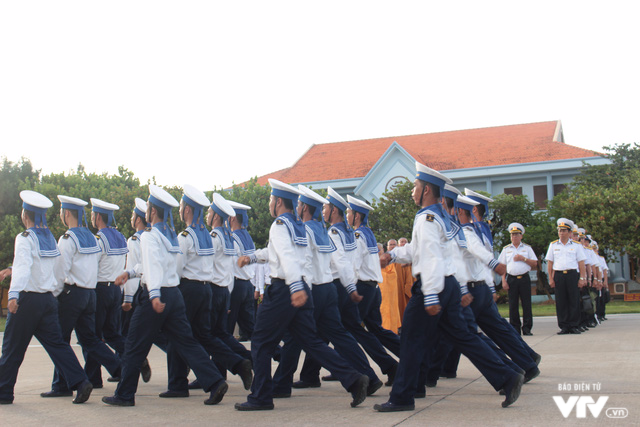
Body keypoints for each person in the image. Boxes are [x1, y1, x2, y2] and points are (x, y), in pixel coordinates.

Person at [374, 162, 524, 413]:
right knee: (462, 336)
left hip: (434, 286)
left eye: (415, 186)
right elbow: (421, 250)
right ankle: (507, 377)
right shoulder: (442, 218)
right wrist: (394, 255)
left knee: (410, 339)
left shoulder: (427, 218)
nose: (412, 190)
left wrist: (431, 295)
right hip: (449, 284)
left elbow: (431, 257)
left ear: (426, 191)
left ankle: (402, 397)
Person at [235, 179, 369, 411]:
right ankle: (354, 380)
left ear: (277, 202)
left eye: (270, 199)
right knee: (312, 342)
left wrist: (294, 286)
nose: (269, 203)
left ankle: (261, 397)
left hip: (285, 289)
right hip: (302, 287)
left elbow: (286, 257)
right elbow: (278, 252)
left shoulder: (279, 225)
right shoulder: (297, 225)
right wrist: (253, 257)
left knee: (260, 342)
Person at [103, 185, 229, 406]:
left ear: (151, 212)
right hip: (174, 295)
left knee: (134, 345)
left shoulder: (150, 236)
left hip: (157, 296)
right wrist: (130, 273)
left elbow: (152, 266)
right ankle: (215, 381)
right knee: (187, 343)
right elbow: (158, 264)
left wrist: (153, 295)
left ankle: (124, 395)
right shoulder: (169, 234)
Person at [271, 184, 382, 398]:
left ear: (303, 208)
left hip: (313, 290)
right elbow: (338, 260)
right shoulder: (321, 230)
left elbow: (300, 260)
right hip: (329, 289)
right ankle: (369, 377)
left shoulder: (305, 229)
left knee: (296, 337)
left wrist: (299, 288)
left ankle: (281, 384)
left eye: (299, 204)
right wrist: (349, 287)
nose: (297, 207)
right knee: (339, 337)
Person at [0, 191, 93, 405]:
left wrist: (13, 295)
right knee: (58, 346)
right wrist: (12, 269)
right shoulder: (49, 238)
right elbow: (40, 266)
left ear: (25, 215)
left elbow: (25, 268)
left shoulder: (24, 238)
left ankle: (4, 392)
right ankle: (80, 381)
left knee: (12, 348)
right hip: (47, 301)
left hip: (27, 300)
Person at [162, 185, 252, 399]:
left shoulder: (187, 236)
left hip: (189, 289)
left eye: (182, 207)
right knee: (206, 336)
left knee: (179, 335)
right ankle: (238, 364)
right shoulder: (208, 235)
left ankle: (178, 384)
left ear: (186, 210)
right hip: (209, 290)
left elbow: (177, 268)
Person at [41, 195, 122, 398]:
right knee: (90, 339)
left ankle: (62, 385)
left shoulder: (67, 239)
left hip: (71, 294)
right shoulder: (90, 237)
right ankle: (119, 367)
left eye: (61, 211)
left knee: (60, 340)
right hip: (90, 295)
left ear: (66, 213)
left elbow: (61, 272)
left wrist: (54, 294)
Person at [85, 198, 151, 388]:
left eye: (92, 214)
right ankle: (136, 360)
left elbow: (92, 266)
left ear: (97, 217)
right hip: (115, 289)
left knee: (93, 337)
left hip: (100, 289)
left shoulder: (99, 239)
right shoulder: (120, 237)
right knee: (113, 334)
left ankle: (94, 377)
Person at [546, 218, 587, 335]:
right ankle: (564, 326)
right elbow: (550, 263)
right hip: (559, 275)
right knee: (561, 301)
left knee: (574, 300)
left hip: (572, 274)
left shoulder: (576, 245)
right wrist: (550, 278)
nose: (562, 233)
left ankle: (574, 325)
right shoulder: (553, 245)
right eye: (560, 230)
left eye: (564, 230)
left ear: (569, 233)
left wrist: (582, 278)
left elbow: (581, 263)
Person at [498, 223, 538, 336]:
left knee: (526, 304)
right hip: (511, 279)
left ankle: (527, 328)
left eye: (516, 234)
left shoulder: (527, 248)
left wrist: (523, 258)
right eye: (512, 235)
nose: (514, 237)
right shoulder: (506, 249)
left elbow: (534, 263)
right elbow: (502, 266)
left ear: (521, 236)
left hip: (524, 278)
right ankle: (515, 329)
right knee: (513, 304)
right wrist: (503, 280)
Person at [227, 200, 257, 341]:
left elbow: (230, 265)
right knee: (251, 329)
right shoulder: (248, 237)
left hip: (236, 286)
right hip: (248, 285)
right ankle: (278, 354)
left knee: (226, 329)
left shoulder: (232, 238)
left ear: (232, 218)